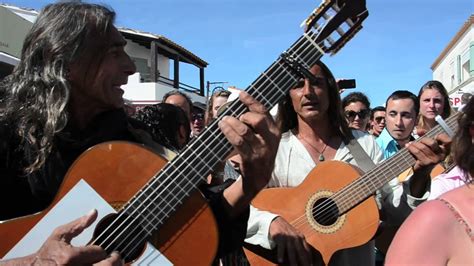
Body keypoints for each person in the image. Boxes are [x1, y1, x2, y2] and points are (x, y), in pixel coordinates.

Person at [0, 2, 280, 264]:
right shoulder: (7, 133)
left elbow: (193, 232)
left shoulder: (134, 141)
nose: (131, 67)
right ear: (64, 60)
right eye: (113, 52)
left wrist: (251, 184)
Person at [245, 61, 450, 266]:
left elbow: (395, 210)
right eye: (298, 84)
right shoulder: (276, 149)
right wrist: (270, 224)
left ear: (330, 91)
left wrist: (421, 175)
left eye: (316, 83)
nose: (308, 92)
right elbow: (239, 208)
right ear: (288, 96)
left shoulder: (363, 144)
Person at [385, 97, 474, 265]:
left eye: (405, 115)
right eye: (393, 114)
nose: (398, 122)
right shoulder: (434, 217)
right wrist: (420, 176)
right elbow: (391, 212)